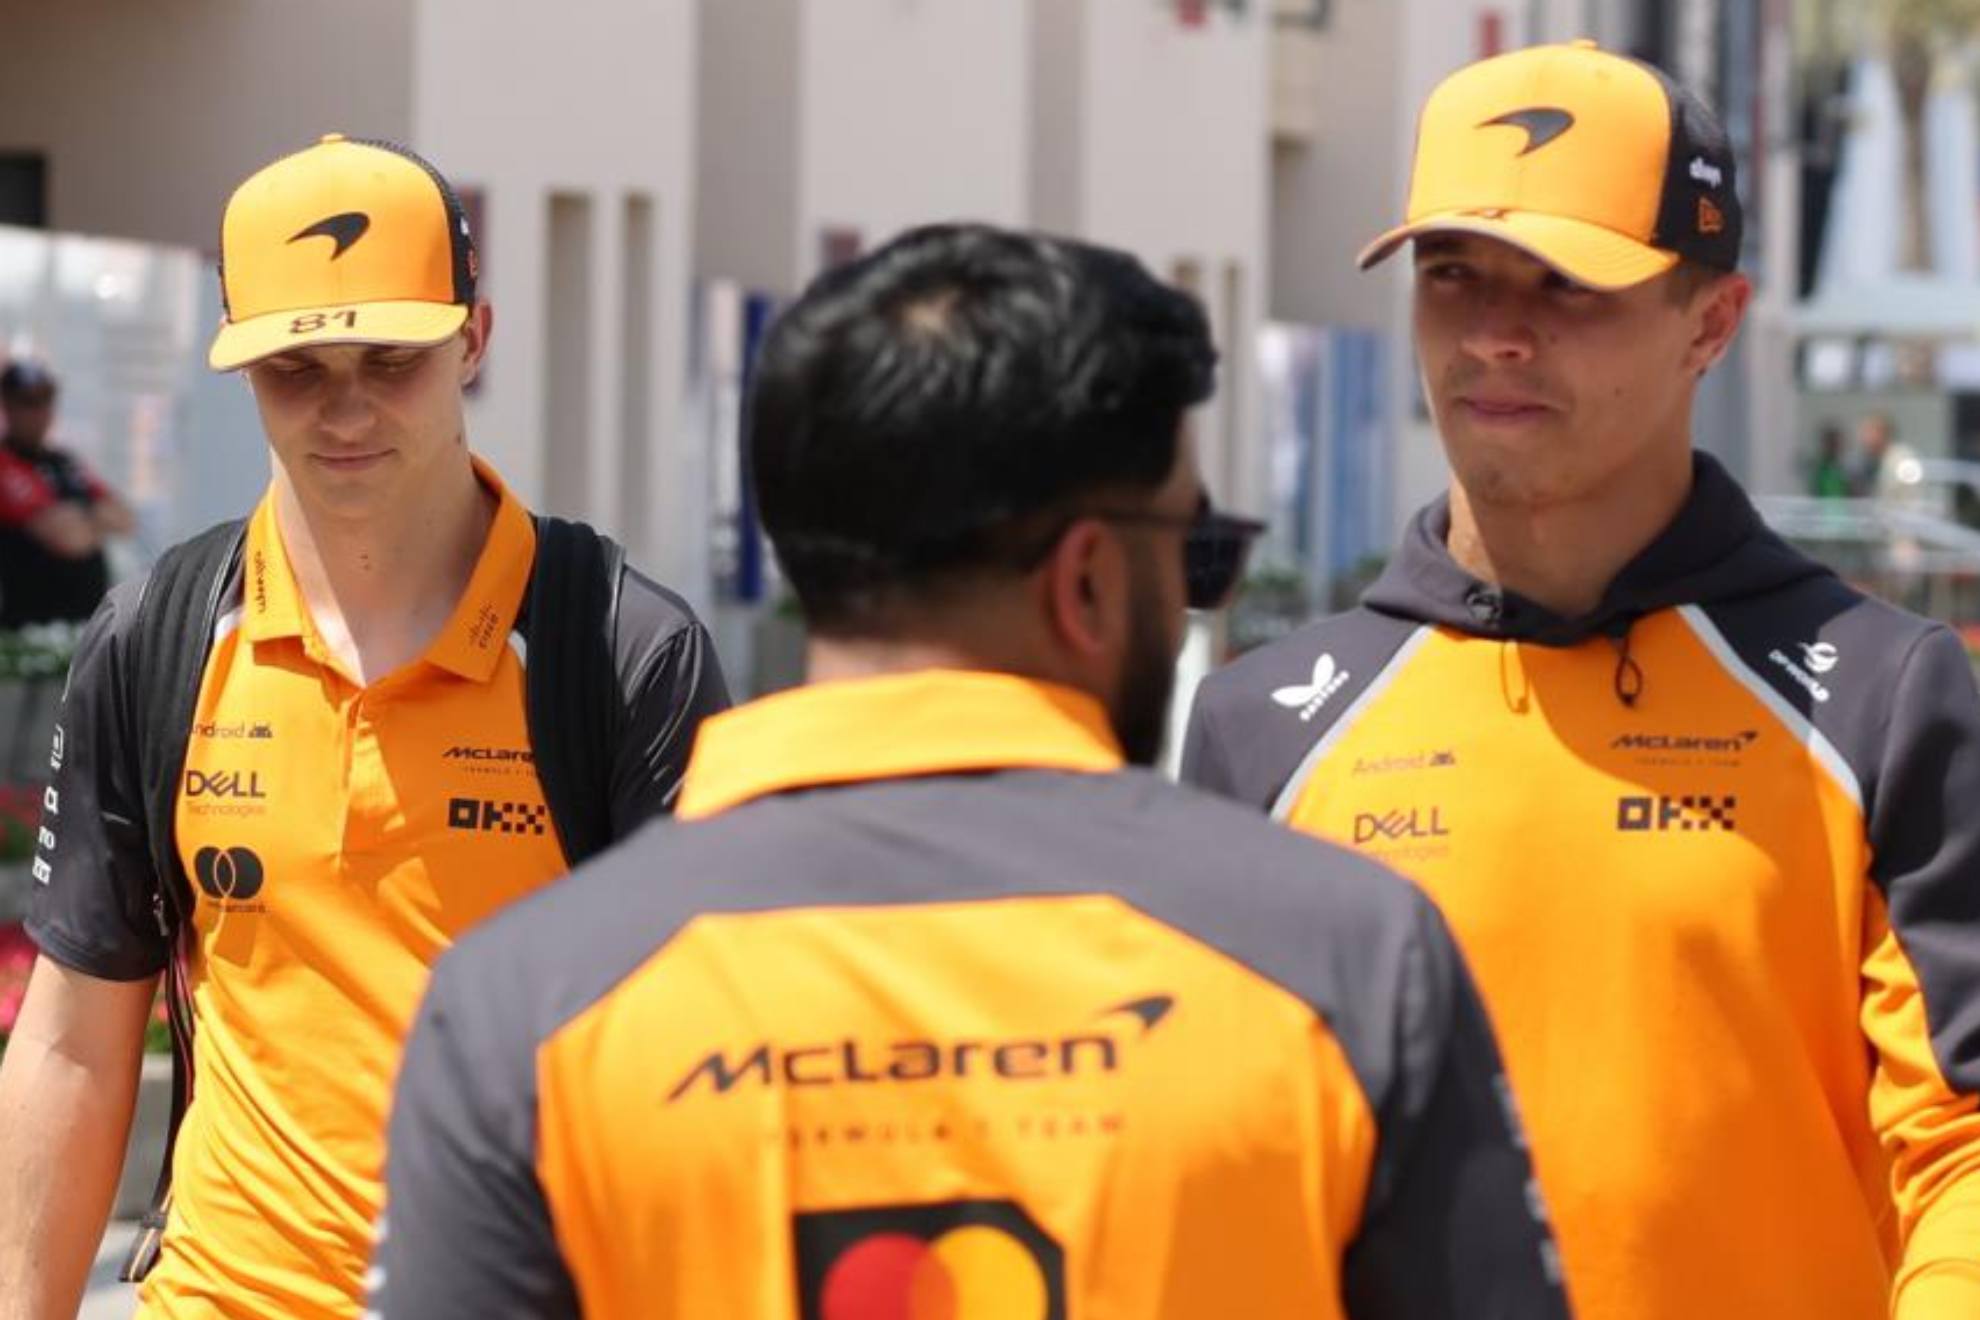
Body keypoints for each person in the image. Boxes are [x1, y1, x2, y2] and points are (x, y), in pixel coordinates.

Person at [369, 224, 1567, 1319]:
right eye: (1194, 552)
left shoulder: (524, 1006)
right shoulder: (1347, 960)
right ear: (1088, 580)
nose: (1195, 595)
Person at [1182, 41, 1980, 1319]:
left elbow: (1962, 1146)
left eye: (1568, 284)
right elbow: (1222, 1168)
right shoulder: (1261, 724)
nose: (1498, 336)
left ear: (1711, 321)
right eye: (1453, 274)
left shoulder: (1883, 699)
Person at [0, 136, 728, 1319]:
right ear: (241, 363)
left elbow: (713, 1057)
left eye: (391, 359)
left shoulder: (619, 650)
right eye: (297, 369)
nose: (345, 409)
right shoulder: (158, 637)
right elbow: (72, 1040)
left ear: (474, 341)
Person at [0, 360, 134, 628]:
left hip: (85, 623)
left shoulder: (65, 462)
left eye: (45, 402)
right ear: (8, 407)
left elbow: (124, 519)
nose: (39, 413)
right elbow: (69, 538)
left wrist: (79, 518)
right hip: (29, 627)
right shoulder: (5, 463)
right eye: (29, 403)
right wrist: (93, 517)